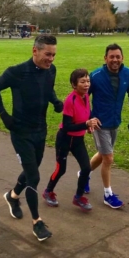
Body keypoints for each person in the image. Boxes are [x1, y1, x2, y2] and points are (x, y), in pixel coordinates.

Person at [0, 34, 63, 241]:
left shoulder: (51, 71)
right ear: (34, 51)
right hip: (21, 132)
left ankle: (12, 197)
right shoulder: (16, 72)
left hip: (41, 130)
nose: (51, 59)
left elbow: (48, 90)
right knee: (34, 177)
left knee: (32, 170)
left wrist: (56, 102)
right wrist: (4, 116)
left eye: (54, 55)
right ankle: (37, 223)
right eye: (47, 54)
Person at [80, 43, 129, 209]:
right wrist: (89, 119)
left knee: (102, 153)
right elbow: (84, 98)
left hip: (115, 121)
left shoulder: (128, 74)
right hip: (100, 123)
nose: (115, 60)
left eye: (118, 57)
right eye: (111, 57)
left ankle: (83, 175)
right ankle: (108, 194)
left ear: (122, 58)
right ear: (105, 58)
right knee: (108, 158)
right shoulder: (96, 76)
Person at [43, 69, 101, 211]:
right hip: (65, 139)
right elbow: (68, 126)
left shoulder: (86, 97)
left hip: (78, 139)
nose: (87, 84)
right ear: (74, 85)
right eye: (82, 82)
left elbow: (85, 116)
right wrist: (85, 124)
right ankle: (48, 192)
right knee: (61, 169)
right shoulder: (70, 100)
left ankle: (78, 197)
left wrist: (89, 125)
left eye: (88, 81)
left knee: (86, 168)